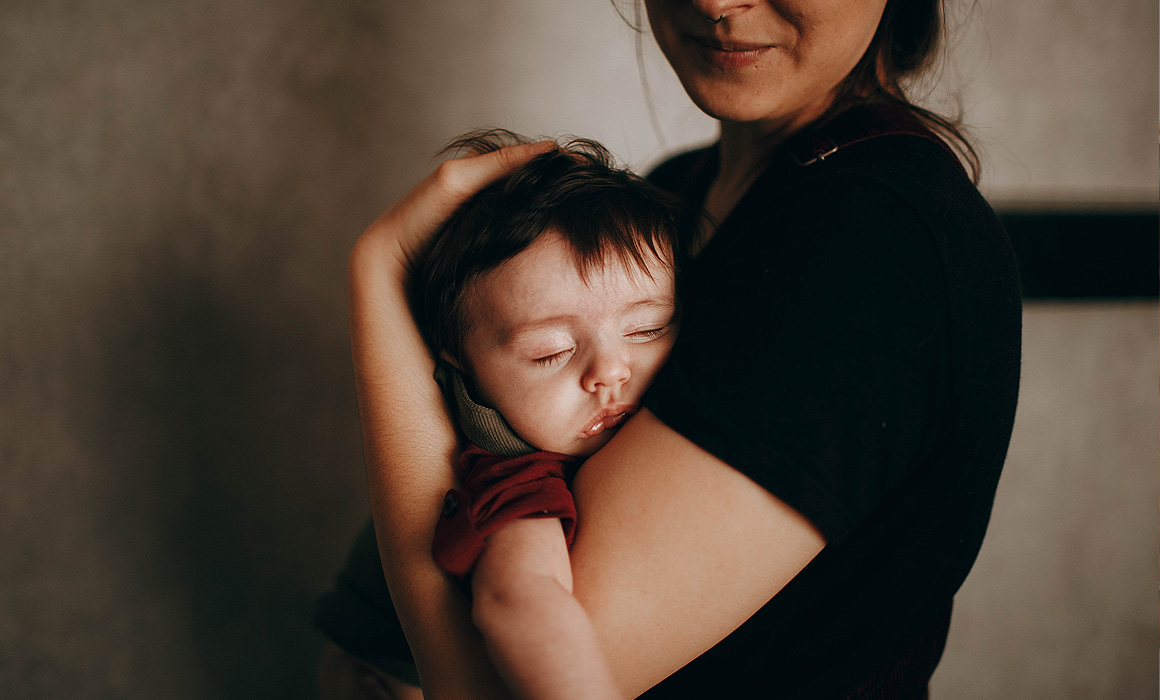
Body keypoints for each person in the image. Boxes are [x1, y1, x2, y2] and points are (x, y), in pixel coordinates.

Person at [317, 1, 1021, 698]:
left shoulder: (872, 239)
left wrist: (381, 271)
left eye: (649, 328)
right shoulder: (676, 194)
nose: (714, 2)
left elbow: (482, 689)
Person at [419, 131, 686, 700]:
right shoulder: (514, 473)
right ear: (463, 368)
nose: (611, 371)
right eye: (550, 352)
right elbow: (519, 602)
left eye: (647, 329)